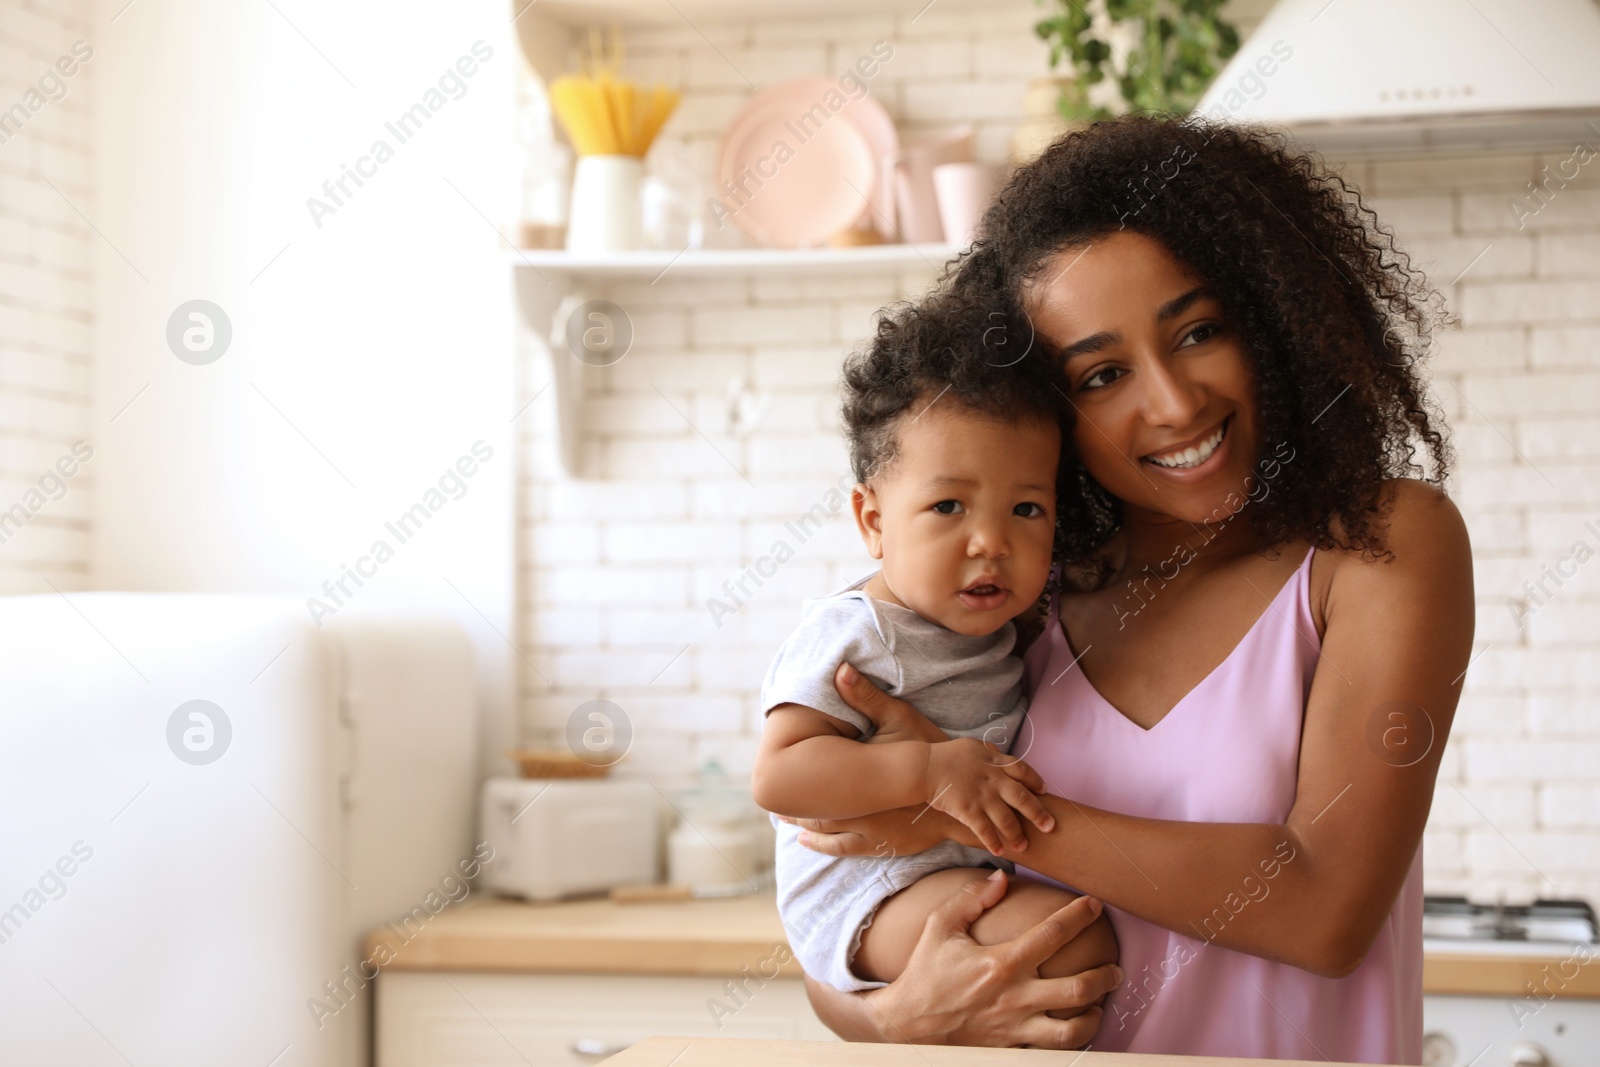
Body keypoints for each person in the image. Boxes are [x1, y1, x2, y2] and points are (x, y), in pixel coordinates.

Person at [782, 116, 1473, 1063]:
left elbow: (1324, 907)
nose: (1175, 402)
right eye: (1102, 373)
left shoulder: (1380, 543)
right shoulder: (1020, 589)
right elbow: (845, 905)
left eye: (1198, 330)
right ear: (1047, 414)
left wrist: (974, 807)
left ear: (1272, 316)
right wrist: (891, 1017)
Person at [751, 296, 1118, 1006]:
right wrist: (930, 768)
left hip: (932, 868)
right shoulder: (857, 634)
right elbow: (780, 776)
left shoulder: (1013, 628)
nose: (992, 541)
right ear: (873, 520)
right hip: (864, 890)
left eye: (1027, 508)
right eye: (949, 506)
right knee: (1073, 943)